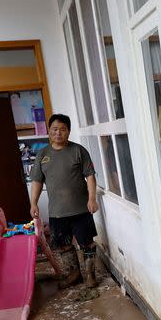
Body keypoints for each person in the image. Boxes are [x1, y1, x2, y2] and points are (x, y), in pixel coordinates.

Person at [30, 114, 99, 289]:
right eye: (54, 129)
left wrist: (92, 199)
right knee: (62, 246)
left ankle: (90, 275)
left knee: (87, 243)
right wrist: (33, 203)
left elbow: (90, 176)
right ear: (49, 130)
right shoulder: (42, 154)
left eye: (62, 129)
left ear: (68, 131)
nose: (58, 133)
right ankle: (73, 275)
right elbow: (37, 181)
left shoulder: (78, 150)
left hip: (81, 209)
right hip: (57, 211)